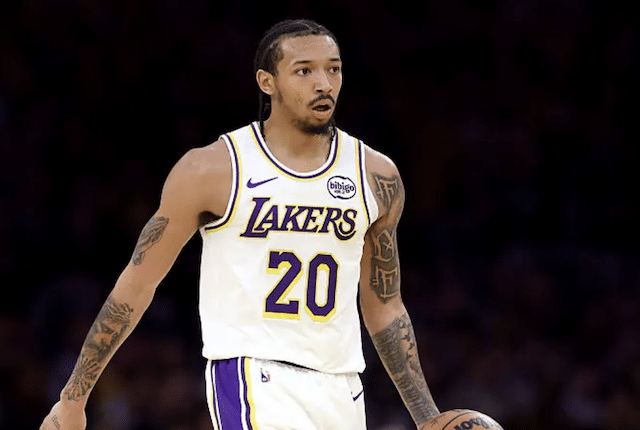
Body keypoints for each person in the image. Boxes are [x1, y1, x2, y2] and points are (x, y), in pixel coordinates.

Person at [40, 19, 440, 430]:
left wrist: (428, 417)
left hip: (343, 385)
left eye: (333, 69)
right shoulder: (212, 169)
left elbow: (385, 306)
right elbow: (137, 283)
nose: (323, 83)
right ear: (267, 82)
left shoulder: (376, 175)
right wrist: (73, 398)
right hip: (253, 376)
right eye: (304, 70)